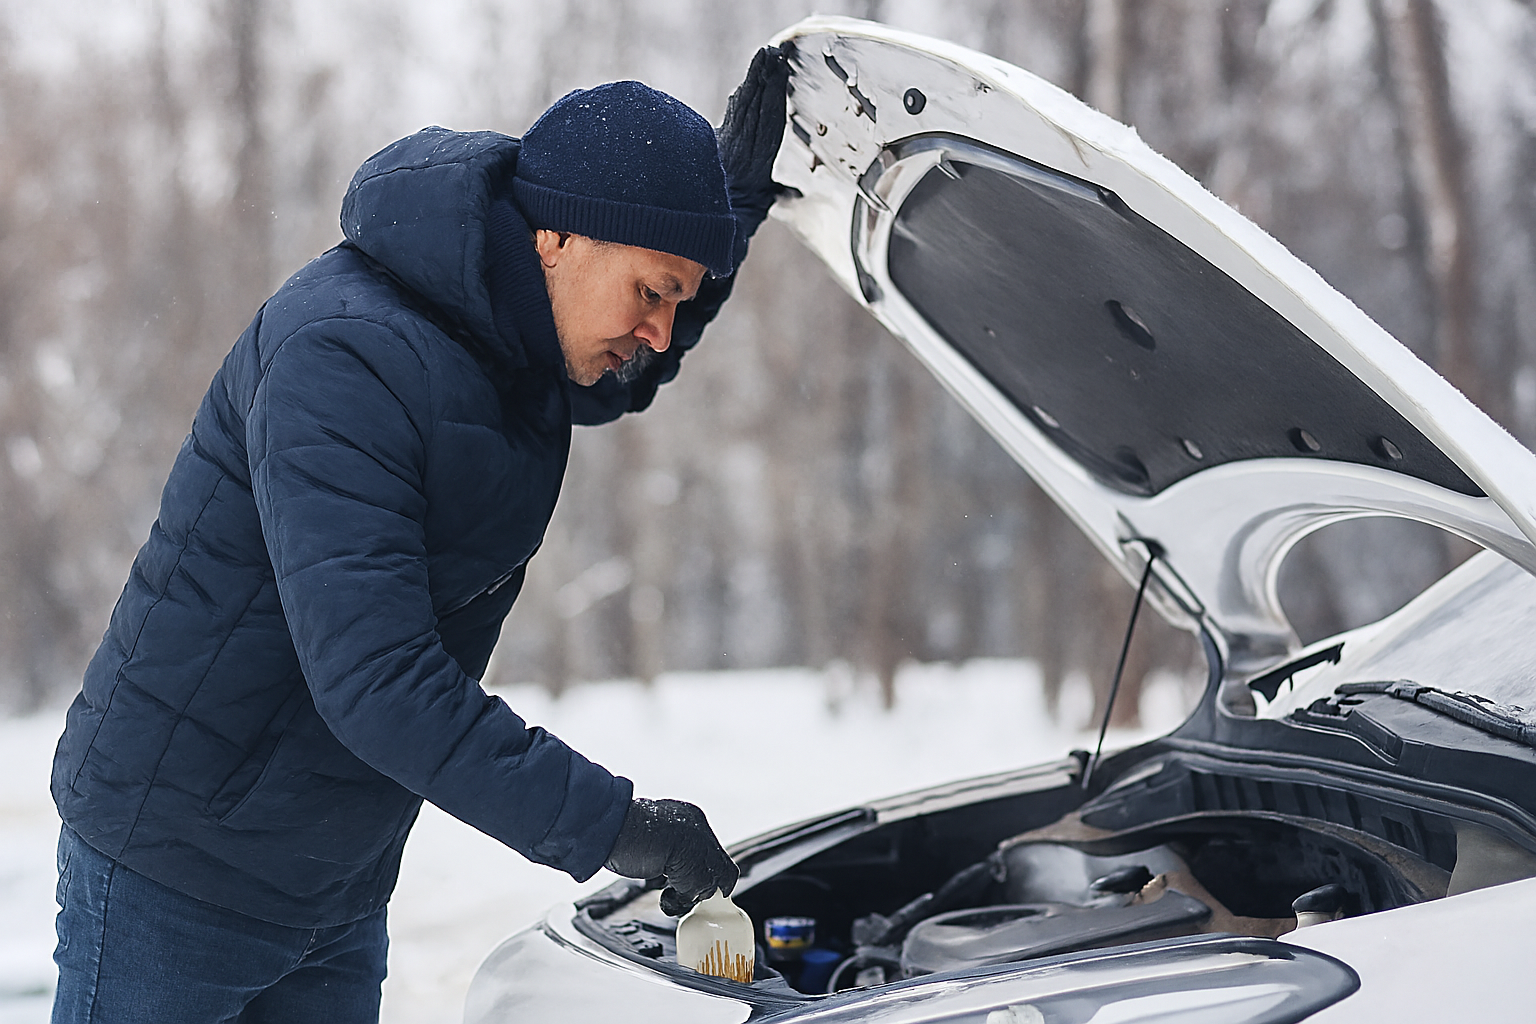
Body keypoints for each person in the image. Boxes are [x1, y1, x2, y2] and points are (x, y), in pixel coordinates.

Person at [47, 47, 790, 1024]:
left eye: (677, 302)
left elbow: (622, 365)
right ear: (558, 239)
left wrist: (727, 217)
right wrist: (619, 826)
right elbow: (380, 683)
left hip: (334, 875)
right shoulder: (344, 355)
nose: (658, 330)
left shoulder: (513, 342)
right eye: (652, 291)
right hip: (176, 868)